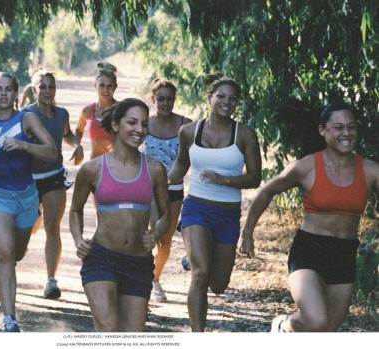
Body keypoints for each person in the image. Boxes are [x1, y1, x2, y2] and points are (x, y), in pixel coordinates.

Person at [239, 103, 379, 332]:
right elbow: (267, 191)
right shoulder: (306, 167)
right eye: (338, 127)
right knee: (316, 320)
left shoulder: (371, 170)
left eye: (351, 127)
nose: (346, 133)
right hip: (309, 252)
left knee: (326, 330)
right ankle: (284, 326)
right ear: (322, 131)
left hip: (344, 253)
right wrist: (247, 233)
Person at [0, 72, 58, 332]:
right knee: (5, 254)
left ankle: (4, 268)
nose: (2, 94)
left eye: (7, 89)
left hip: (27, 197)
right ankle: (10, 319)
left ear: (16, 94)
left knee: (17, 253)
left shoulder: (26, 119)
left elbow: (52, 151)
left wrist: (23, 146)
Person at [168, 72, 262, 331]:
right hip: (196, 208)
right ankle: (198, 335)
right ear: (209, 97)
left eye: (233, 99)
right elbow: (181, 164)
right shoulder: (188, 132)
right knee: (200, 274)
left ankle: (198, 256)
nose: (227, 102)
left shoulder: (244, 134)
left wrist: (224, 180)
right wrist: (162, 183)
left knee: (218, 284)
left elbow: (255, 178)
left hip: (227, 215)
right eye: (221, 96)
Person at [70, 98, 170, 331]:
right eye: (132, 122)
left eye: (144, 124)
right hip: (101, 258)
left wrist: (155, 233)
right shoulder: (92, 169)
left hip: (139, 263)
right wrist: (77, 239)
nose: (139, 130)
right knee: (108, 331)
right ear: (115, 125)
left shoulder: (155, 169)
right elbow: (75, 209)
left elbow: (166, 215)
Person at [23, 69, 83, 299]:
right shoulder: (25, 115)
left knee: (52, 227)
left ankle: (51, 281)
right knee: (25, 227)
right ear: (34, 89)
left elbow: (66, 135)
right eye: (43, 86)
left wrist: (76, 145)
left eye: (51, 86)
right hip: (28, 179)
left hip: (54, 176)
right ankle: (10, 261)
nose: (47, 91)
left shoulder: (62, 114)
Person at [141, 78, 192, 302]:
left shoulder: (186, 125)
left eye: (170, 99)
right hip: (144, 188)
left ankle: (154, 279)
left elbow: (190, 159)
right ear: (153, 99)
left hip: (174, 189)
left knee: (164, 240)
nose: (165, 103)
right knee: (143, 237)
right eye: (160, 99)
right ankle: (140, 282)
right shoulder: (143, 123)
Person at [74, 62, 117, 159]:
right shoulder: (87, 111)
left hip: (116, 165)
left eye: (109, 86)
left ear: (115, 87)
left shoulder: (122, 110)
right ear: (95, 86)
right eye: (102, 85)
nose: (106, 90)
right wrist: (77, 147)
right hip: (95, 164)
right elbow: (78, 130)